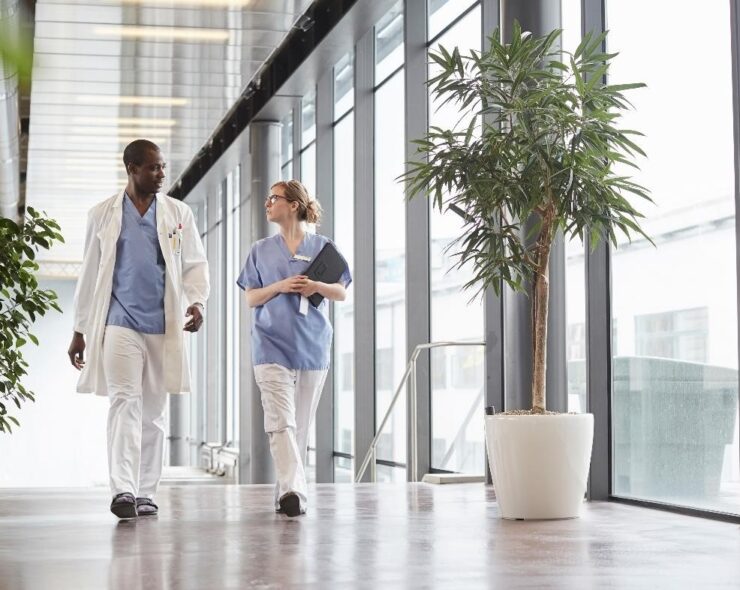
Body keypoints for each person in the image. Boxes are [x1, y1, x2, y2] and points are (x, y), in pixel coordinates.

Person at [67, 139, 209, 519]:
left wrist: (197, 302)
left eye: (163, 167)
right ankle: (123, 490)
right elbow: (91, 272)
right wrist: (81, 329)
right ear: (131, 168)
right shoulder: (103, 214)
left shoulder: (178, 213)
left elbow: (194, 264)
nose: (162, 174)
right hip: (120, 321)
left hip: (164, 324)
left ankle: (146, 491)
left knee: (154, 412)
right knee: (124, 402)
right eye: (153, 168)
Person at [237, 180, 351, 517]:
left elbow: (341, 291)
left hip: (312, 346)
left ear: (295, 205)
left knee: (298, 428)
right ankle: (293, 490)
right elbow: (251, 297)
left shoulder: (323, 247)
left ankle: (288, 492)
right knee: (280, 421)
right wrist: (280, 286)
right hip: (269, 344)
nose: (267, 203)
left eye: (274, 198)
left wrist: (315, 285)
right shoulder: (260, 250)